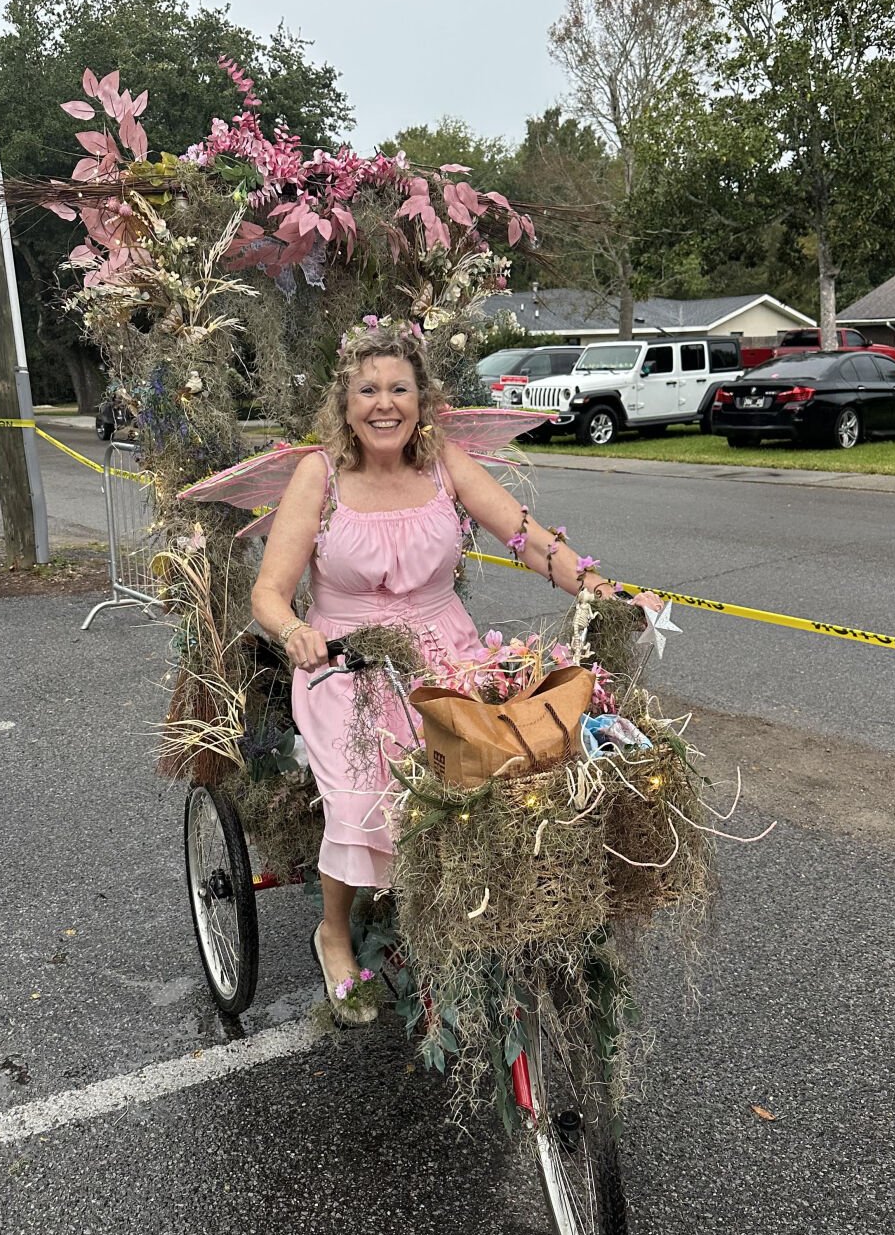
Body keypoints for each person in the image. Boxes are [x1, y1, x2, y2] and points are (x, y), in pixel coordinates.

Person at [251, 322, 656, 1024]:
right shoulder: (319, 474)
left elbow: (527, 537)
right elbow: (268, 591)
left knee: (482, 781)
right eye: (368, 389)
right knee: (362, 800)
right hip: (347, 664)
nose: (385, 403)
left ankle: (449, 911)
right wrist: (295, 631)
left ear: (422, 399)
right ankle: (335, 931)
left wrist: (598, 588)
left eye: (399, 389)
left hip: (446, 655)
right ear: (344, 402)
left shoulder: (444, 465)